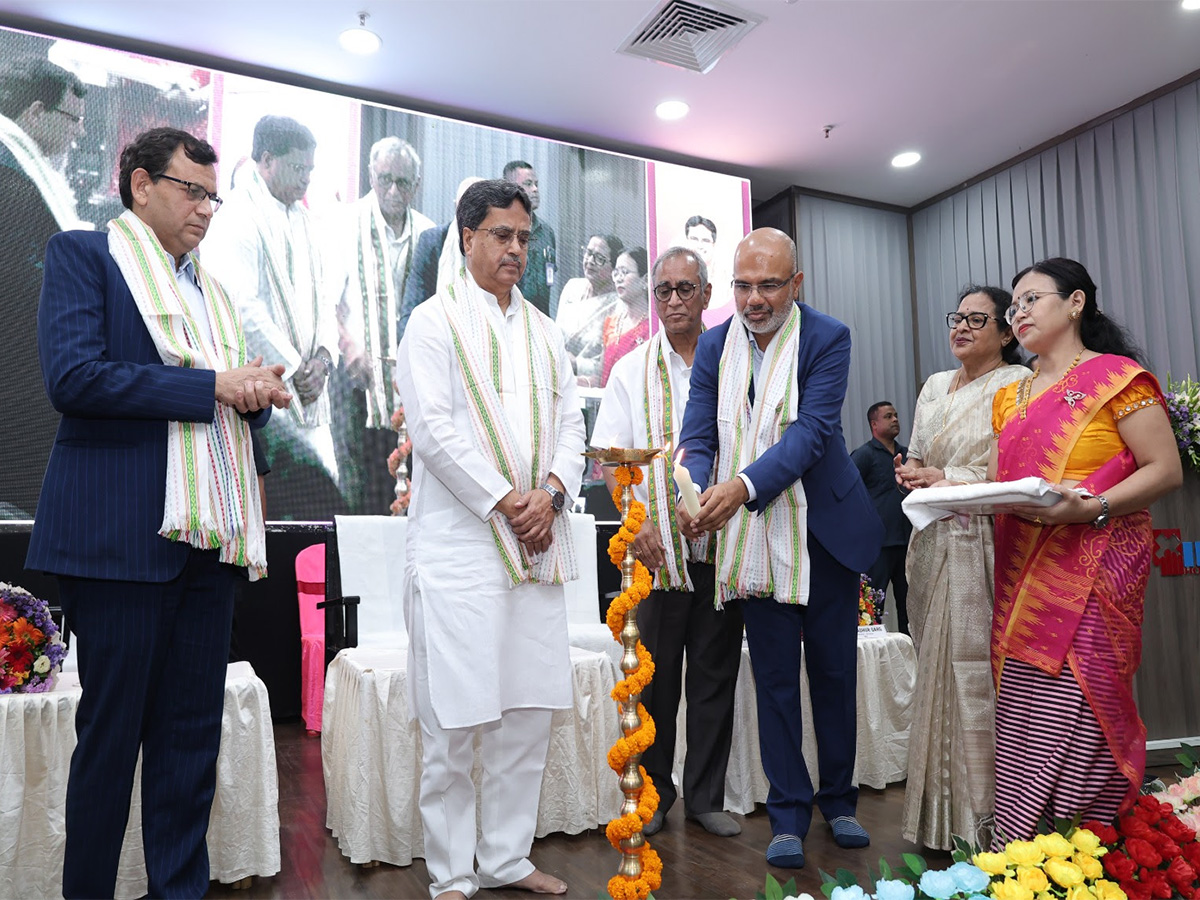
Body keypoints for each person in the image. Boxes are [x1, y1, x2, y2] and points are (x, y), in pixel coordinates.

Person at [25, 126, 291, 899]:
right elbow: (75, 379)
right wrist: (213, 383)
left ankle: (180, 888)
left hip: (208, 543)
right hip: (119, 542)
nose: (207, 210)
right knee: (109, 743)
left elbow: (230, 406)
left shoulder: (212, 292)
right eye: (192, 190)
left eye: (214, 196)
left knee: (189, 742)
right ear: (140, 185)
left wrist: (257, 394)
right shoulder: (87, 256)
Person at [395, 178, 583, 900]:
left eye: (524, 238)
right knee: (454, 719)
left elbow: (573, 425)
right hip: (462, 550)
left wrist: (553, 495)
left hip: (536, 544)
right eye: (501, 235)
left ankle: (507, 858)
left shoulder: (543, 329)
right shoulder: (431, 322)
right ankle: (450, 873)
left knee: (526, 713)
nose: (515, 249)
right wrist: (509, 501)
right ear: (466, 235)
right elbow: (434, 434)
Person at [676, 227, 883, 868]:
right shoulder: (714, 346)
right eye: (742, 285)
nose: (754, 299)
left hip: (824, 535)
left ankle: (840, 801)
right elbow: (699, 432)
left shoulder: (827, 337)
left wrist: (739, 485)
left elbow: (813, 435)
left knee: (832, 676)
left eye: (769, 285)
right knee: (772, 684)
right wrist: (693, 481)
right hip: (754, 540)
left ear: (796, 284)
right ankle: (788, 814)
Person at [988, 257, 1182, 843]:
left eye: (1031, 299)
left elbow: (1165, 469)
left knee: (1081, 701)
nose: (1017, 312)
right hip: (1023, 570)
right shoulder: (1010, 396)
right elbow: (1005, 481)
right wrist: (947, 484)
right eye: (1013, 305)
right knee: (1024, 711)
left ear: (1076, 303)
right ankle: (1019, 853)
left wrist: (1090, 508)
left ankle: (1087, 846)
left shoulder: (1118, 377)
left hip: (1097, 567)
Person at [590, 246, 744, 838]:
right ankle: (654, 796)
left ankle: (706, 797)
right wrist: (638, 520)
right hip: (653, 555)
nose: (674, 300)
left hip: (724, 548)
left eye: (686, 289)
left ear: (708, 295)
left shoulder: (736, 363)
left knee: (714, 676)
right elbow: (610, 457)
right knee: (652, 684)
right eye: (664, 291)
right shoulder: (630, 368)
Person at [893, 285, 1029, 850]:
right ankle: (935, 817)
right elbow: (922, 456)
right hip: (930, 539)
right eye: (958, 318)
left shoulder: (1016, 385)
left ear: (1005, 333)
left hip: (983, 538)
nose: (963, 328)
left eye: (979, 319)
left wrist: (950, 481)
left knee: (972, 673)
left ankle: (984, 820)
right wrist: (914, 473)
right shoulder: (931, 387)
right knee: (934, 667)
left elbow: (1011, 465)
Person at [203, 114, 342, 516]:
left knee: (324, 511)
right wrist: (298, 367)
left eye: (310, 170)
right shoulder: (236, 218)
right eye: (298, 168)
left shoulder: (306, 220)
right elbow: (241, 307)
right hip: (263, 395)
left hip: (312, 391)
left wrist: (323, 360)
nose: (306, 180)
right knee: (281, 515)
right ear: (266, 160)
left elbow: (325, 300)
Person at [0, 56, 88, 518]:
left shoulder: (22, 165)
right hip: (18, 377)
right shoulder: (8, 171)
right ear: (35, 113)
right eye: (72, 119)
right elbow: (17, 272)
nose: (76, 133)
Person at [334, 137, 434, 513]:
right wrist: (350, 346)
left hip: (410, 384)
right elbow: (327, 301)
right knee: (357, 489)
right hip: (355, 376)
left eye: (403, 182)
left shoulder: (428, 233)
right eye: (385, 179)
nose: (393, 190)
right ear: (371, 177)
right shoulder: (345, 223)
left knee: (405, 486)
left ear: (417, 184)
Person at [398, 175, 484, 342]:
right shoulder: (432, 241)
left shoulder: (501, 249)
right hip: (435, 343)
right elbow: (412, 305)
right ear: (455, 206)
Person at [851, 401, 912, 634]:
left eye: (896, 415)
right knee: (872, 607)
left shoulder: (907, 456)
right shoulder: (864, 455)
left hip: (906, 543)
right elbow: (849, 492)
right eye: (888, 416)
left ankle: (912, 655)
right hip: (878, 545)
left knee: (909, 605)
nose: (895, 419)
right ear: (874, 424)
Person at [555, 232, 622, 384]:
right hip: (558, 374)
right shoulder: (572, 287)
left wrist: (576, 364)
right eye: (588, 253)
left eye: (599, 258)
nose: (590, 261)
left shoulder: (618, 304)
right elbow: (556, 336)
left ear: (613, 267)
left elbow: (610, 364)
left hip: (591, 385)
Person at [503, 159, 557, 316]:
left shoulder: (547, 232)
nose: (535, 189)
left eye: (536, 184)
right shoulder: (499, 231)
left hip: (539, 321)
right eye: (528, 183)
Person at [600, 246, 650, 384]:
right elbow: (601, 378)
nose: (618, 279)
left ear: (645, 279)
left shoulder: (653, 328)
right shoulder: (611, 323)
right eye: (616, 272)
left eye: (625, 272)